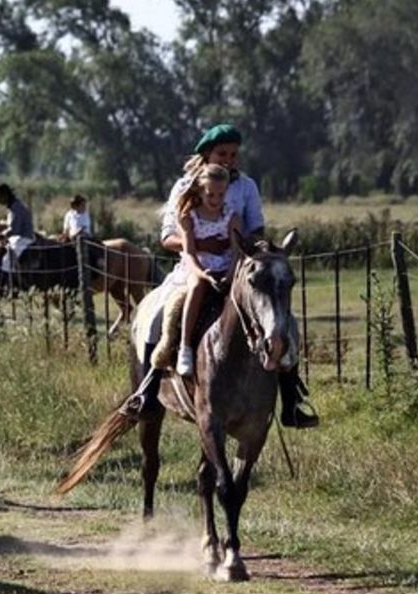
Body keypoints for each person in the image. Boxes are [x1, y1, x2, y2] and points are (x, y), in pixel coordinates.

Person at [123, 124, 317, 426]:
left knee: (282, 321)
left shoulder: (246, 186)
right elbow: (167, 238)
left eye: (234, 154)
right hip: (193, 267)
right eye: (222, 153)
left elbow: (254, 230)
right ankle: (148, 390)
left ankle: (291, 400)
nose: (229, 159)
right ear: (207, 154)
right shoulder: (185, 185)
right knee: (159, 316)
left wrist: (254, 249)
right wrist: (202, 244)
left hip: (236, 267)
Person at [171, 165, 240, 377]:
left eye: (221, 194)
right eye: (210, 194)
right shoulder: (189, 217)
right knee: (197, 287)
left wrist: (230, 275)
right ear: (201, 191)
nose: (216, 199)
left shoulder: (231, 216)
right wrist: (203, 274)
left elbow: (237, 251)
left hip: (227, 266)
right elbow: (189, 253)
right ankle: (185, 346)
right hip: (198, 267)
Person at [0, 182, 34, 272]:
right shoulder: (13, 207)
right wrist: (0, 225)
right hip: (17, 237)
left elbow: (14, 230)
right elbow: (11, 224)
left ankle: (9, 279)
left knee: (7, 260)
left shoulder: (17, 208)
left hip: (23, 239)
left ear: (5, 196)